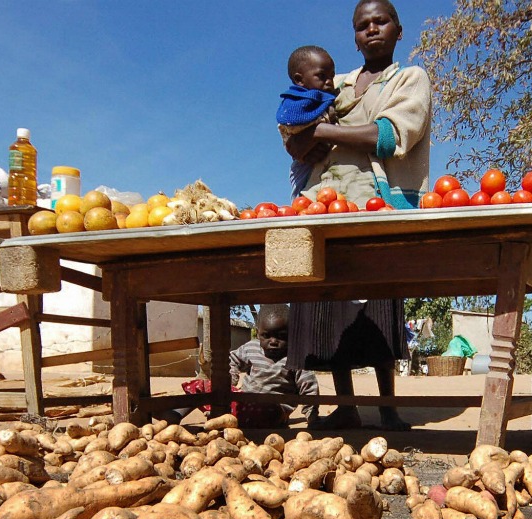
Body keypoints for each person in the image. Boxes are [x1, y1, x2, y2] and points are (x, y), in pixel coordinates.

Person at [283, 0, 431, 431]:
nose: (371, 30)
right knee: (329, 304)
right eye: (362, 25)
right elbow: (293, 135)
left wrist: (323, 131)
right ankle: (345, 404)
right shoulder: (336, 82)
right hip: (324, 201)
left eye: (380, 22)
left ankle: (387, 406)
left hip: (376, 203)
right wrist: (302, 136)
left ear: (398, 31)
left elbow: (388, 137)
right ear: (354, 35)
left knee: (379, 304)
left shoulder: (409, 78)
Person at [163, 304, 319, 428]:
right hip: (243, 401)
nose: (273, 341)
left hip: (273, 410)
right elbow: (230, 360)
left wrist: (312, 416)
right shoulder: (251, 348)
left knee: (270, 409)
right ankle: (175, 414)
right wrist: (230, 379)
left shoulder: (296, 358)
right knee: (203, 386)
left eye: (281, 336)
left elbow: (308, 387)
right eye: (266, 335)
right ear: (258, 333)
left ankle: (224, 417)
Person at [276, 45, 339, 198]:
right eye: (322, 76)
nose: (329, 82)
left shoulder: (321, 95)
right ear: (299, 80)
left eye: (332, 76)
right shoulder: (298, 102)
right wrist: (326, 118)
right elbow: (294, 125)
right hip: (303, 163)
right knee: (302, 197)